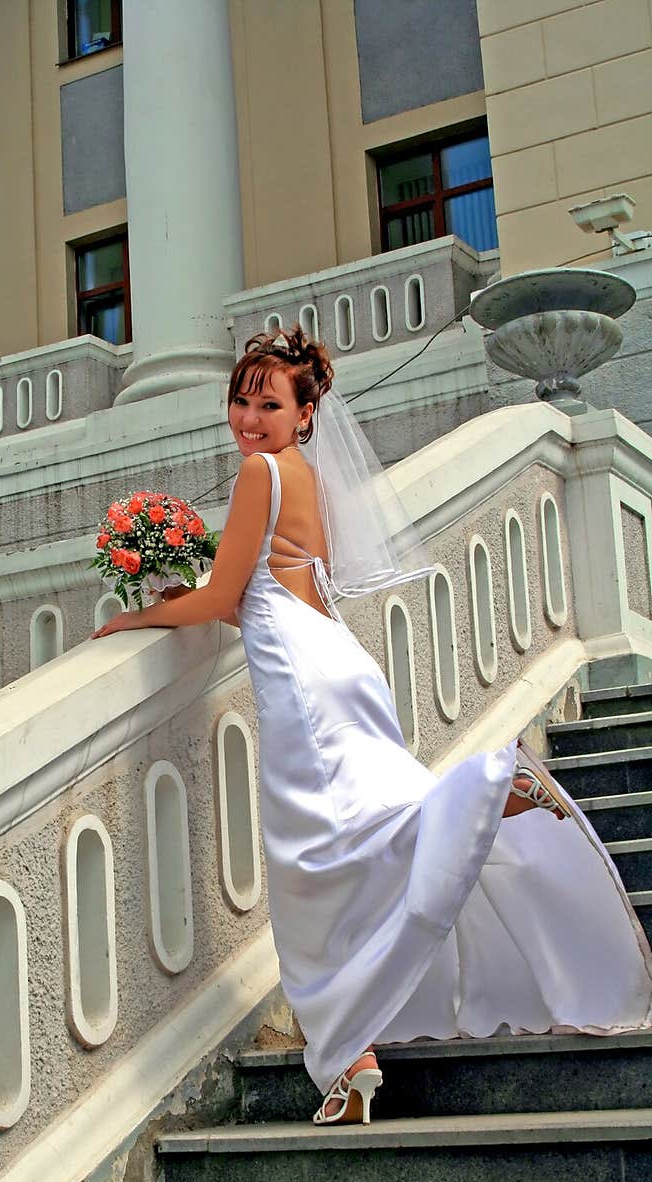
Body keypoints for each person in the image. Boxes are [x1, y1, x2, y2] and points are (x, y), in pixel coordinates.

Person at [92, 326, 652, 1125]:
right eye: (241, 400)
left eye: (269, 403)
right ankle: (354, 1058)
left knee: (310, 864)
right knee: (346, 845)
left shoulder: (259, 474)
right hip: (337, 657)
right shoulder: (308, 481)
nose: (250, 417)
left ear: (305, 412)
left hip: (299, 671)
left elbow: (223, 602)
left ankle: (487, 788)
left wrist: (138, 618)